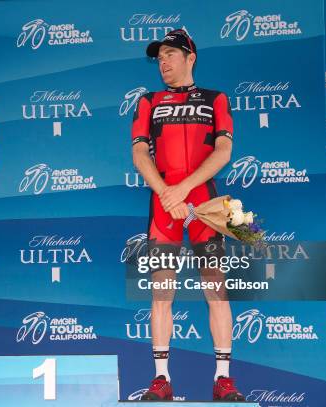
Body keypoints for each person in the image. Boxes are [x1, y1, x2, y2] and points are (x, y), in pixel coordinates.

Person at [131, 29, 244, 401]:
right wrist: (167, 193)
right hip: (164, 207)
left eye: (169, 54)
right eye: (159, 56)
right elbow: (139, 155)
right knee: (161, 294)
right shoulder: (149, 101)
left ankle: (224, 379)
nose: (162, 61)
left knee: (217, 291)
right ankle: (161, 378)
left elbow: (224, 151)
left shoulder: (216, 99)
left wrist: (183, 189)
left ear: (190, 57)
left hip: (203, 205)